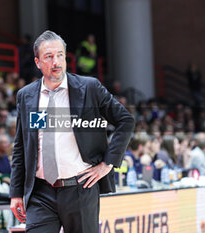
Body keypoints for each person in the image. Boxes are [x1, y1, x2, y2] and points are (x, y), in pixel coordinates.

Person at [9, 30, 134, 233]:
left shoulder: (89, 87)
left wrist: (107, 164)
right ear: (38, 62)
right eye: (48, 57)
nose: (56, 61)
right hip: (40, 191)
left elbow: (125, 120)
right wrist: (16, 193)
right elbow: (21, 146)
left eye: (60, 55)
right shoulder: (26, 95)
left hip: (80, 188)